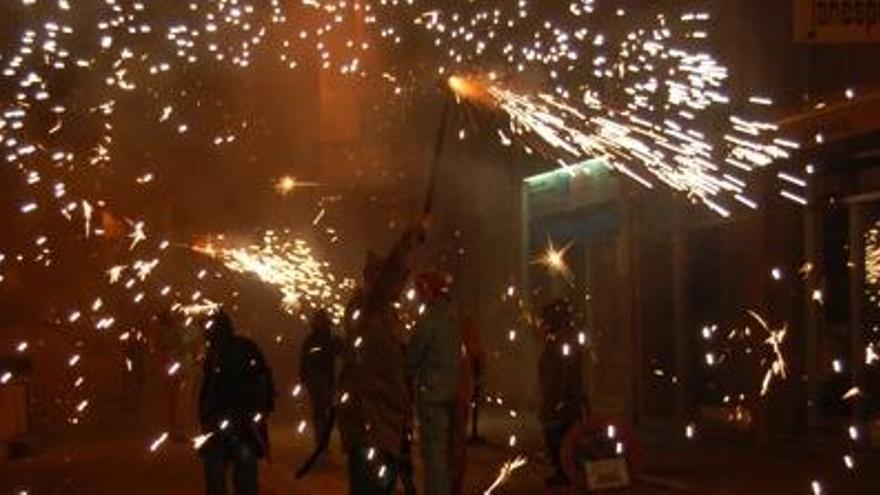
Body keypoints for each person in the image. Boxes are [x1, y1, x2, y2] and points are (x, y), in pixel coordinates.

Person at [337, 223, 424, 495]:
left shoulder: (386, 314)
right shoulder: (366, 306)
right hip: (368, 422)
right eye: (397, 280)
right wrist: (406, 242)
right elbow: (388, 277)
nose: (402, 284)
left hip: (385, 421)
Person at [198, 310, 276, 495]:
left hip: (240, 420)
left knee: (232, 465)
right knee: (233, 466)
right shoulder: (222, 352)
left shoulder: (231, 351)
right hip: (229, 420)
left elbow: (262, 380)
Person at [406, 271, 461, 495]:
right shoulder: (454, 315)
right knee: (444, 451)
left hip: (432, 394)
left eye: (420, 291)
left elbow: (413, 356)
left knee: (434, 454)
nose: (419, 297)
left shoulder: (429, 319)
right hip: (450, 390)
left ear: (428, 290)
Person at [538, 298, 587, 487]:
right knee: (558, 432)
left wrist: (557, 398)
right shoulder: (561, 338)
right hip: (561, 396)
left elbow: (565, 372)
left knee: (557, 432)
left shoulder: (564, 340)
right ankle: (564, 470)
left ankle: (564, 471)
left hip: (562, 398)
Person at [299, 308, 343, 451]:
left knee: (322, 409)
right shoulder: (313, 340)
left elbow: (341, 351)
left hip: (324, 377)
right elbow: (304, 358)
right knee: (320, 409)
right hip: (317, 377)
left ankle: (322, 439)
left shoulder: (326, 339)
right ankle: (322, 439)